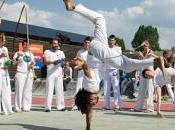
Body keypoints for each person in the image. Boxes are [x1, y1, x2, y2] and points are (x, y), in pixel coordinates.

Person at [63, 0, 166, 129]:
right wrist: (88, 128)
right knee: (100, 19)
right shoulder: (87, 95)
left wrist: (82, 64)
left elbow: (87, 71)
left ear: (90, 99)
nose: (96, 102)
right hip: (99, 49)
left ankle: (154, 61)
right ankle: (73, 7)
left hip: (101, 56)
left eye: (94, 102)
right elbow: (89, 111)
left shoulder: (91, 87)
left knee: (126, 65)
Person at [43, 38, 66, 112]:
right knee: (49, 90)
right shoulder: (47, 52)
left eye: (57, 43)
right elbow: (45, 62)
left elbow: (63, 63)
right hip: (50, 73)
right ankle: (48, 107)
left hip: (59, 73)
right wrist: (53, 62)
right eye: (54, 43)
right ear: (51, 44)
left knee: (59, 90)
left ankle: (60, 106)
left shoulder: (61, 52)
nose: (56, 45)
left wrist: (62, 62)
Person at [13, 40, 35, 112]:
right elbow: (13, 63)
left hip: (28, 74)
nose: (26, 46)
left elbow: (32, 65)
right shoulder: (18, 53)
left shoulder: (31, 54)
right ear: (22, 45)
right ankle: (17, 107)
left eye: (27, 45)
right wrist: (17, 58)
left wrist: (31, 65)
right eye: (24, 44)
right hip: (20, 73)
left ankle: (26, 106)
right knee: (19, 90)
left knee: (28, 91)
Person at [134, 40, 155, 112]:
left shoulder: (151, 52)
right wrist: (139, 56)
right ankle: (138, 107)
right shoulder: (142, 52)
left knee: (149, 90)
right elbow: (141, 63)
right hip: (143, 73)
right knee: (141, 90)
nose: (145, 45)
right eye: (144, 44)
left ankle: (150, 108)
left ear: (149, 45)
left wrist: (142, 57)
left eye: (147, 43)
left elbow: (147, 62)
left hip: (149, 73)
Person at [103, 34, 122, 111]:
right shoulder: (106, 49)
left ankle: (117, 105)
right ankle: (106, 105)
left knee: (116, 87)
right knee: (106, 88)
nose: (111, 42)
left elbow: (119, 59)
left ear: (115, 41)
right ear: (108, 41)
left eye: (113, 40)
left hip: (114, 70)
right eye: (110, 40)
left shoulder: (118, 49)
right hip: (106, 69)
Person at [72, 36, 90, 110]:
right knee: (78, 88)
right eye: (86, 42)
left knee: (88, 88)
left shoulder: (92, 52)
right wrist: (77, 65)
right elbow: (76, 61)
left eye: (88, 43)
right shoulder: (80, 51)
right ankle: (76, 104)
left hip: (88, 72)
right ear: (83, 43)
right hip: (81, 72)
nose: (87, 44)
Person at [0, 33, 13, 115]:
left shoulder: (5, 48)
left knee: (6, 90)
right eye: (3, 39)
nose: (4, 40)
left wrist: (10, 62)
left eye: (4, 39)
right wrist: (0, 55)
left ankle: (7, 109)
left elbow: (7, 60)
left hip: (5, 71)